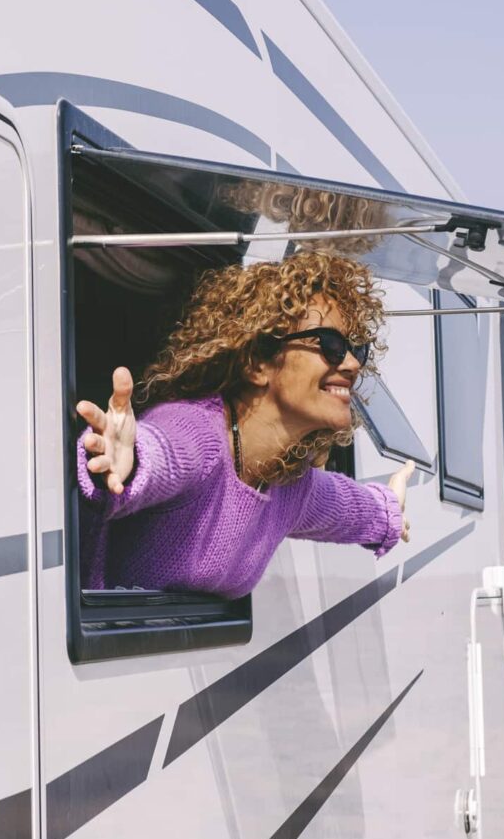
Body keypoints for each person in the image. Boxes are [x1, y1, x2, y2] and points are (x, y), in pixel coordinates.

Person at [75, 252, 413, 598]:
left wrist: (388, 508)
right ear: (257, 364)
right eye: (331, 345)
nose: (353, 364)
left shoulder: (288, 485)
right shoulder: (199, 433)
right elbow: (163, 452)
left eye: (357, 349)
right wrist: (127, 459)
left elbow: (349, 508)